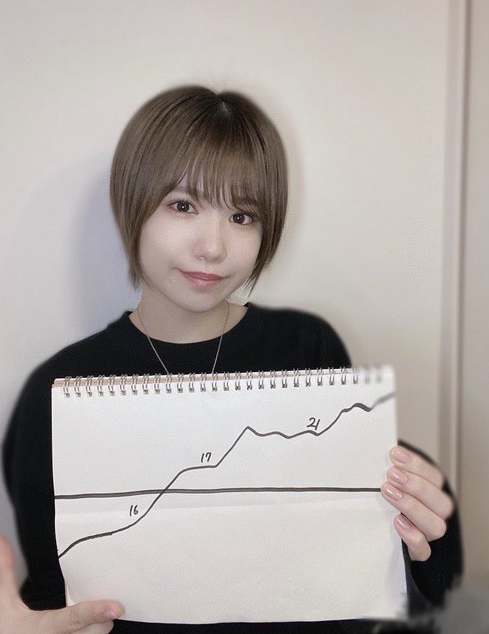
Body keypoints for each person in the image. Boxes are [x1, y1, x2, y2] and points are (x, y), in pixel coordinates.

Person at [1, 86, 462, 634]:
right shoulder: (59, 391)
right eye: (183, 205)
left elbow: (353, 581)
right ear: (132, 204)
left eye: (243, 216)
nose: (214, 247)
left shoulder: (306, 349)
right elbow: (56, 602)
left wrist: (419, 539)